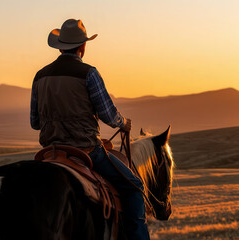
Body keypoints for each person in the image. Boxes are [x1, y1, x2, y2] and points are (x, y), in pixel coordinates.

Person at [30, 18, 149, 240]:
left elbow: (34, 122)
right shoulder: (89, 73)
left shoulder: (40, 76)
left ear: (60, 45)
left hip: (51, 151)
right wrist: (123, 123)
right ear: (83, 46)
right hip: (86, 150)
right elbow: (108, 115)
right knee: (134, 187)